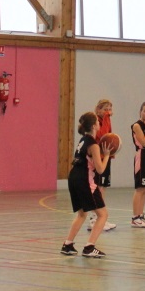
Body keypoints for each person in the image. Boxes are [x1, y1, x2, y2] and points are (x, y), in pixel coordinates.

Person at [60, 111, 114, 258]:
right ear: (94, 125)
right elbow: (100, 169)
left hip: (73, 177)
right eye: (97, 121)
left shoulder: (83, 140)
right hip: (84, 180)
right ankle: (89, 247)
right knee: (103, 214)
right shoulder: (93, 145)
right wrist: (107, 155)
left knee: (82, 214)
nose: (99, 123)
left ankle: (68, 244)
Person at [88, 98, 117, 232]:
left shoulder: (106, 120)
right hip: (98, 158)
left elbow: (109, 136)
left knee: (103, 188)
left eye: (110, 109)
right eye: (105, 109)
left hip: (105, 157)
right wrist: (106, 117)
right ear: (98, 110)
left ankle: (100, 218)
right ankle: (94, 219)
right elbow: (103, 135)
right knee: (98, 188)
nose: (108, 112)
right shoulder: (96, 121)